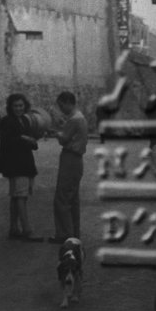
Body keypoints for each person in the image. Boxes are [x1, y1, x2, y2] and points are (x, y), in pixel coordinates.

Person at [0, 92, 43, 241]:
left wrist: (30, 141)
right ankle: (27, 231)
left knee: (16, 197)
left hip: (24, 163)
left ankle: (14, 229)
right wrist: (24, 139)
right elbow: (6, 142)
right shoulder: (7, 121)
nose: (18, 108)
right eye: (15, 106)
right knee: (21, 196)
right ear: (10, 107)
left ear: (25, 106)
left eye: (21, 105)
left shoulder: (24, 120)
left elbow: (33, 143)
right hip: (15, 165)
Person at [48, 90, 89, 244]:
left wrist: (57, 133)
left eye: (61, 105)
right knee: (72, 199)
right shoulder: (80, 118)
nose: (61, 109)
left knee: (62, 198)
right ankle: (73, 232)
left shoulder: (74, 120)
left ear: (68, 103)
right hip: (77, 160)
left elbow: (64, 139)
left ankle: (64, 234)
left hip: (70, 158)